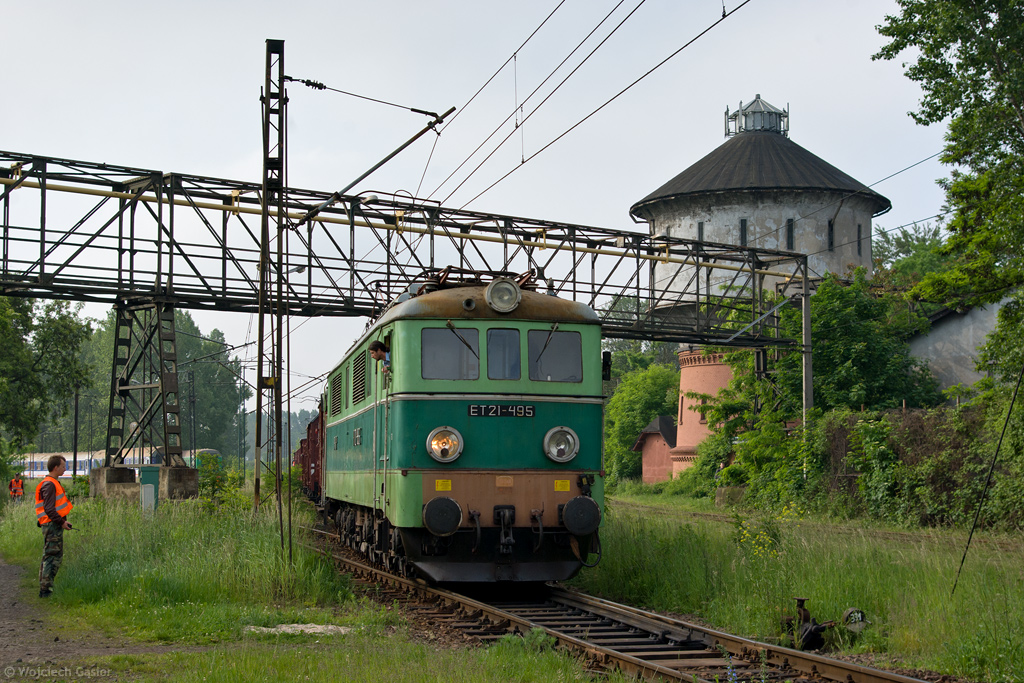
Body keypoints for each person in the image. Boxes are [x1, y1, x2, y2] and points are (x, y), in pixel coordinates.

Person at [34, 455, 73, 598]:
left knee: (48, 556)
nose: (65, 469)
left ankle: (44, 587)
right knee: (52, 557)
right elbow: (49, 509)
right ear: (55, 468)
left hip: (49, 524)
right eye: (63, 466)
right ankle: (46, 590)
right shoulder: (50, 484)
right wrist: (61, 522)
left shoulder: (49, 483)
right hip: (52, 526)